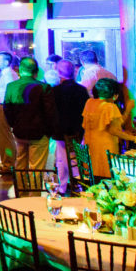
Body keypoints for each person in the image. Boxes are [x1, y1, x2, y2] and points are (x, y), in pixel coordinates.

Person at [82, 78, 136, 177]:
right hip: (105, 148)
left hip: (90, 146)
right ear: (115, 95)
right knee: (107, 176)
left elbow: (114, 123)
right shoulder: (110, 107)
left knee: (94, 176)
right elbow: (115, 130)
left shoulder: (89, 103)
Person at [49, 60, 89, 193]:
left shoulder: (55, 91)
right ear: (73, 72)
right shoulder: (81, 90)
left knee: (62, 158)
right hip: (77, 129)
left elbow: (52, 111)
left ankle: (67, 184)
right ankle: (74, 183)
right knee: (71, 156)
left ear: (59, 73)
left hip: (60, 129)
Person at [0, 52, 19, 173]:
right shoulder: (6, 73)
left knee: (4, 137)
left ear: (6, 62)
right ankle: (9, 163)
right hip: (1, 106)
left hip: (3, 107)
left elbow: (10, 92)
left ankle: (8, 164)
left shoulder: (8, 75)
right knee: (5, 136)